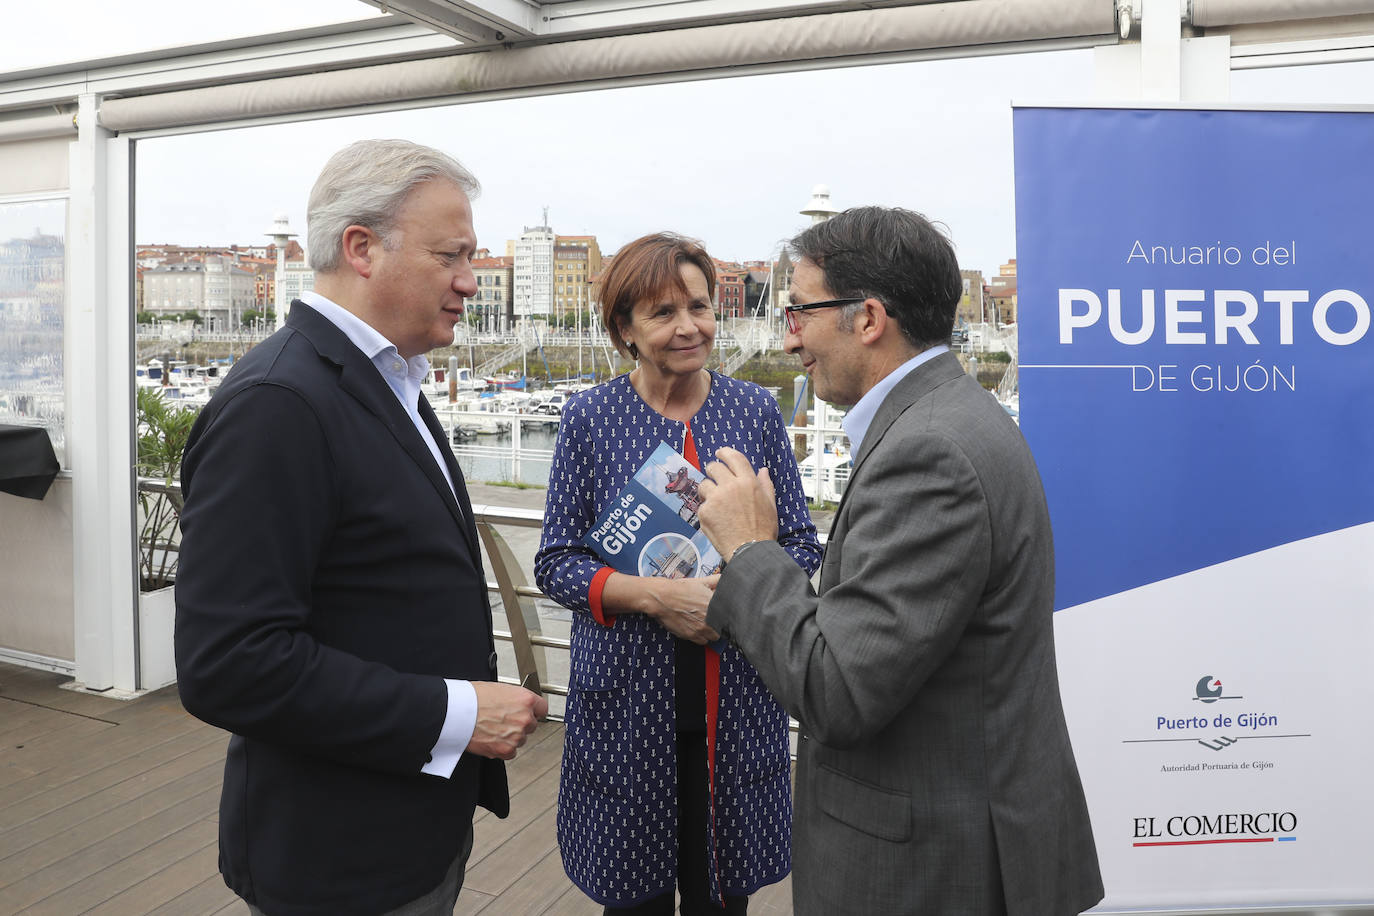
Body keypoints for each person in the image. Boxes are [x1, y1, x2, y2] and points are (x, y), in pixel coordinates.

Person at [174, 139, 547, 916]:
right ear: (361, 248)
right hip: (336, 857)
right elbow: (230, 663)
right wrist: (458, 715)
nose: (470, 282)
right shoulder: (279, 405)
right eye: (452, 256)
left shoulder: (386, 380)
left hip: (402, 826)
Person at [696, 207, 1104, 916]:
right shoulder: (953, 417)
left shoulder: (929, 453)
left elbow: (838, 691)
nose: (789, 339)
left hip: (932, 869)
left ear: (869, 318)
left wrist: (751, 549)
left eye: (799, 313)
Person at [534, 232, 822, 914]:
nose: (689, 327)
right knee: (632, 899)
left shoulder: (752, 412)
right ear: (624, 329)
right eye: (663, 313)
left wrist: (737, 591)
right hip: (628, 708)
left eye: (698, 306)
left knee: (724, 898)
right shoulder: (589, 419)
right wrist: (659, 597)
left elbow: (805, 547)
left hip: (739, 704)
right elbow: (555, 563)